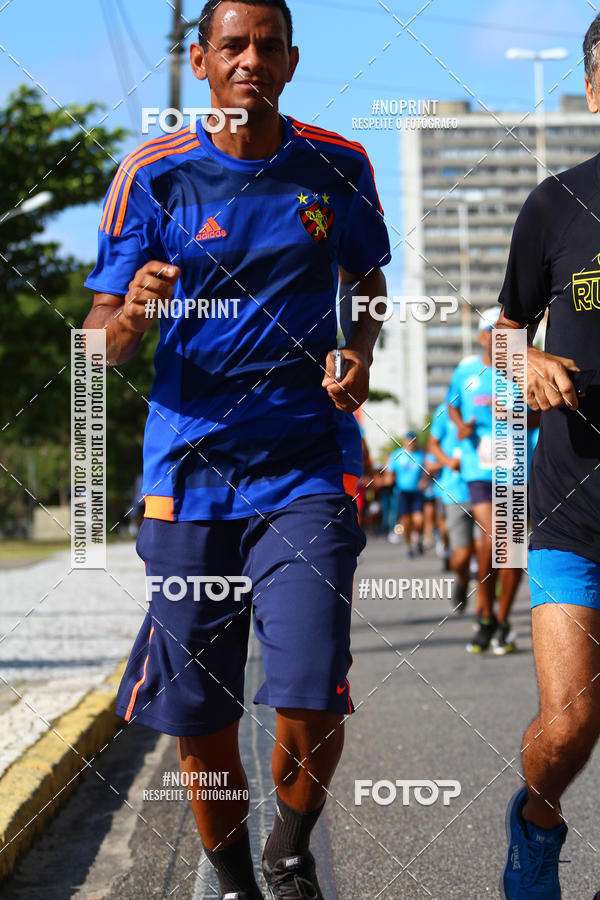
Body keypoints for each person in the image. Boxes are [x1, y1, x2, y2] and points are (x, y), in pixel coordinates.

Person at [83, 2, 391, 898]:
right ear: (200, 59)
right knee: (201, 708)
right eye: (232, 45)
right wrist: (131, 315)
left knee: (310, 686)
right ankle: (231, 880)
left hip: (306, 466)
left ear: (291, 61)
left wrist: (360, 351)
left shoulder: (337, 165)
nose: (250, 60)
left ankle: (289, 855)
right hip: (189, 474)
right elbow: (96, 340)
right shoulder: (152, 174)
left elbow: (368, 276)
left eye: (267, 46)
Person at [499, 13, 600, 896]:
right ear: (595, 90)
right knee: (569, 727)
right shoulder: (555, 204)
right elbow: (499, 335)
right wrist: (523, 358)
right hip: (574, 503)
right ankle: (535, 818)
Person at [447, 309, 523, 653]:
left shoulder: (523, 370)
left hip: (517, 466)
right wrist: (461, 424)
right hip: (479, 469)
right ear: (482, 336)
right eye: (494, 330)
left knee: (513, 551)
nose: (500, 337)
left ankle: (501, 620)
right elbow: (451, 405)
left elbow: (541, 416)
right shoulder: (466, 371)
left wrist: (515, 414)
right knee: (493, 538)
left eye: (507, 331)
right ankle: (484, 613)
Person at [427, 403, 476, 614]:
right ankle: (462, 580)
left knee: (494, 554)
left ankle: (488, 616)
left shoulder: (492, 401)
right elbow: (432, 448)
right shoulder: (443, 412)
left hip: (493, 488)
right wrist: (449, 462)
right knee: (462, 557)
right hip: (456, 492)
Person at [386, 431, 425, 557]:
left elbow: (427, 472)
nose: (410, 442)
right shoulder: (397, 455)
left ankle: (417, 538)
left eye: (413, 440)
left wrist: (424, 481)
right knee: (406, 522)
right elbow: (390, 472)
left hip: (417, 492)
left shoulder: (421, 455)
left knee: (419, 520)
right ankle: (409, 546)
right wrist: (388, 479)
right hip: (402, 492)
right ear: (404, 441)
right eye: (408, 440)